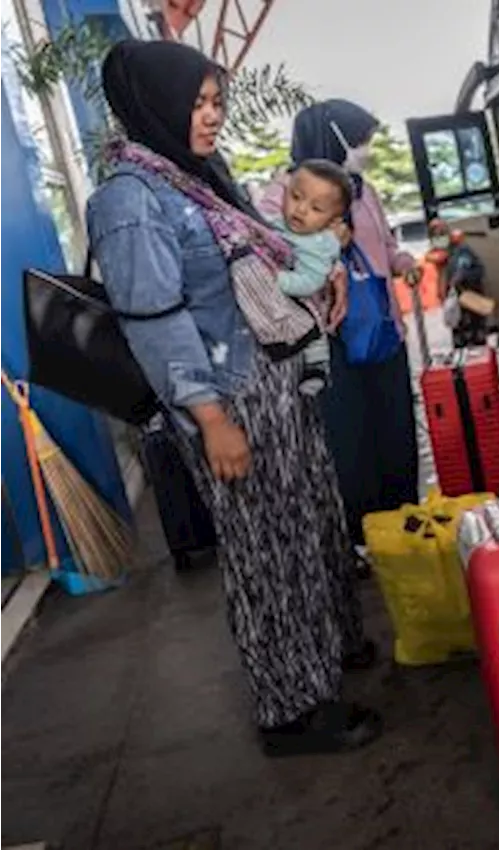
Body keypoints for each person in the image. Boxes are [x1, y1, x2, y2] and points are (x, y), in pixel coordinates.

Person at [86, 39, 380, 756]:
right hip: (225, 398)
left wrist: (322, 271)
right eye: (197, 103)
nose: (212, 115)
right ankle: (292, 709)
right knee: (265, 548)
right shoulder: (130, 201)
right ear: (153, 105)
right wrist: (212, 420)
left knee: (308, 519)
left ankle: (328, 649)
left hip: (272, 379)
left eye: (216, 101)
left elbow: (270, 245)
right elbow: (155, 320)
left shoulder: (195, 176)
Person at [259, 100, 421, 557]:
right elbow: (271, 261)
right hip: (330, 344)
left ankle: (402, 527)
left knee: (396, 433)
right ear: (333, 138)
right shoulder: (282, 194)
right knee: (350, 442)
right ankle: (362, 539)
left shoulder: (364, 191)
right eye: (361, 141)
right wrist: (325, 244)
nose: (365, 151)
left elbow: (385, 248)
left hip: (383, 334)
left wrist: (404, 264)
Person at [271, 159, 355, 395]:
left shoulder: (317, 246)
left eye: (316, 209)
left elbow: (310, 282)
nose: (301, 210)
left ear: (333, 221)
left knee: (314, 335)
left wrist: (276, 280)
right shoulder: (276, 224)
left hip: (305, 303)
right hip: (284, 308)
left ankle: (317, 368)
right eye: (296, 197)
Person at [429, 217, 488, 348]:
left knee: (477, 338)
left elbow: (472, 269)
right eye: (435, 234)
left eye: (442, 233)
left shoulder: (462, 250)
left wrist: (459, 278)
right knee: (460, 339)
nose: (439, 237)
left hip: (471, 297)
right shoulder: (438, 255)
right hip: (454, 304)